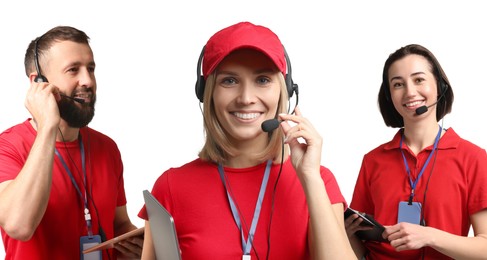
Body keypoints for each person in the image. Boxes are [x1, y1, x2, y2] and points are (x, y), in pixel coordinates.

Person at [138, 21, 356, 260]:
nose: (246, 98)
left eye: (262, 80)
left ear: (285, 90)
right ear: (206, 92)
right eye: (229, 81)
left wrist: (310, 179)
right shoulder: (170, 187)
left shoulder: (319, 180)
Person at [0, 26, 142, 259]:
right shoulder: (7, 147)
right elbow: (19, 226)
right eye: (73, 70)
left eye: (91, 69)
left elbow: (119, 223)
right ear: (39, 82)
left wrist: (136, 244)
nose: (87, 81)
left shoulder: (107, 148)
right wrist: (47, 125)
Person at [346, 44, 487, 259]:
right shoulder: (372, 160)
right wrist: (348, 235)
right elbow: (361, 247)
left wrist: (429, 236)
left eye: (419, 80)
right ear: (389, 96)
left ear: (439, 85)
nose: (410, 92)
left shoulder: (473, 158)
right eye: (398, 84)